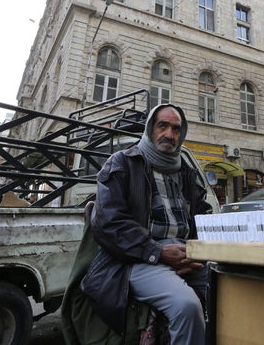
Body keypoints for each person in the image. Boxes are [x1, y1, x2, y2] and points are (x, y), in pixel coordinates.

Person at [79, 103, 212, 344]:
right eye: (163, 126)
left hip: (185, 256)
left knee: (231, 288)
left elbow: (203, 217)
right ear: (150, 128)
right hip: (136, 259)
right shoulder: (122, 163)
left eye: (176, 129)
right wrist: (157, 252)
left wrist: (200, 252)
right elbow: (109, 223)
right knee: (186, 306)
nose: (169, 135)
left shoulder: (186, 172)